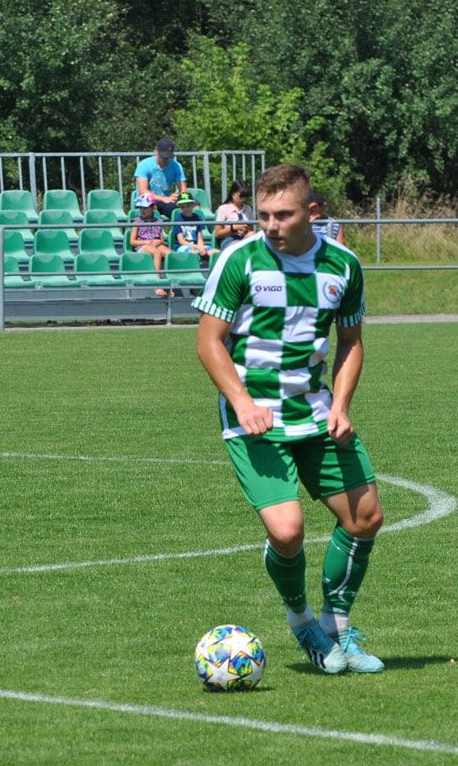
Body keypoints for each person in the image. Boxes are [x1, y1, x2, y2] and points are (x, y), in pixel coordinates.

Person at [192, 163, 385, 676]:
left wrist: (341, 406)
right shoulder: (239, 260)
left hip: (315, 410)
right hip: (254, 414)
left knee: (366, 517)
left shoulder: (343, 265)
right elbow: (208, 342)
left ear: (312, 212)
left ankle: (336, 627)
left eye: (283, 215)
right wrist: (242, 403)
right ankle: (302, 622)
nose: (271, 226)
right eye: (264, 216)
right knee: (287, 531)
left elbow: (350, 342)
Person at [128, 194, 173, 297]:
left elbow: (162, 239)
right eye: (141, 208)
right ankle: (157, 285)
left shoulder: (158, 221)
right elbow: (132, 242)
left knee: (169, 253)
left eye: (146, 207)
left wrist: (158, 241)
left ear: (153, 208)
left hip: (155, 244)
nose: (142, 210)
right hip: (142, 246)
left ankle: (171, 285)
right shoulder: (137, 222)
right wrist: (146, 242)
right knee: (156, 253)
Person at [133, 137, 188, 218]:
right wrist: (163, 199)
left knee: (193, 206)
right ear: (156, 151)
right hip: (145, 203)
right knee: (173, 210)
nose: (165, 159)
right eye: (163, 156)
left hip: (166, 202)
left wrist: (181, 199)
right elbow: (143, 191)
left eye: (168, 156)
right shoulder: (144, 165)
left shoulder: (176, 166)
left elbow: (183, 190)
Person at [171, 194, 217, 260]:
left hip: (196, 245)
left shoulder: (198, 218)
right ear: (179, 207)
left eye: (188, 205)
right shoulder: (177, 220)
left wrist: (201, 247)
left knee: (215, 252)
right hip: (183, 247)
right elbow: (181, 241)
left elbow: (200, 238)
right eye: (183, 207)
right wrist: (197, 246)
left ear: (193, 204)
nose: (186, 209)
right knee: (192, 254)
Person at [214, 180, 256, 250]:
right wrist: (233, 228)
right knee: (238, 247)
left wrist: (246, 229)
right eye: (240, 196)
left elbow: (251, 229)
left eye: (245, 197)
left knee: (253, 235)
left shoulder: (248, 209)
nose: (242, 200)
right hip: (229, 240)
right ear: (233, 193)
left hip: (244, 238)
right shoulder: (224, 208)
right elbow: (217, 233)